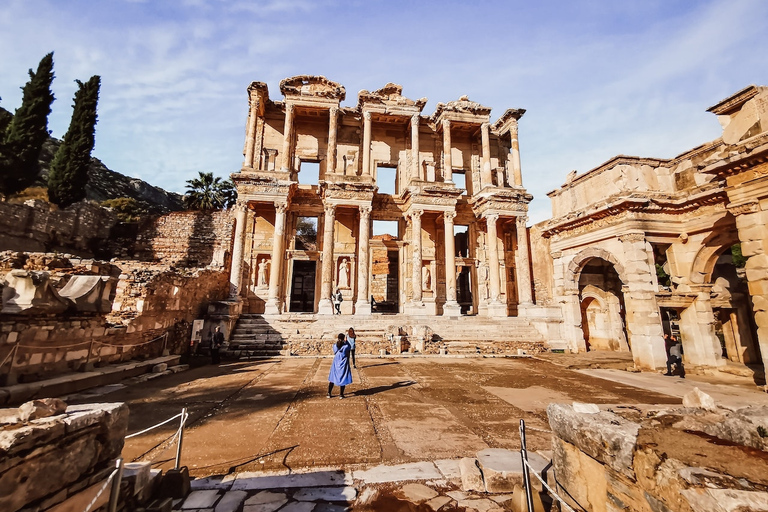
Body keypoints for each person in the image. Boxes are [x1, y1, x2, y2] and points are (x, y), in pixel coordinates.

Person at [328, 333, 352, 398]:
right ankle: (341, 394)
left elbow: (335, 348)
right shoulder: (346, 346)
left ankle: (329, 393)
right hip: (343, 364)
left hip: (336, 363)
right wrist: (346, 341)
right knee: (343, 379)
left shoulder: (335, 346)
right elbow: (350, 347)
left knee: (332, 379)